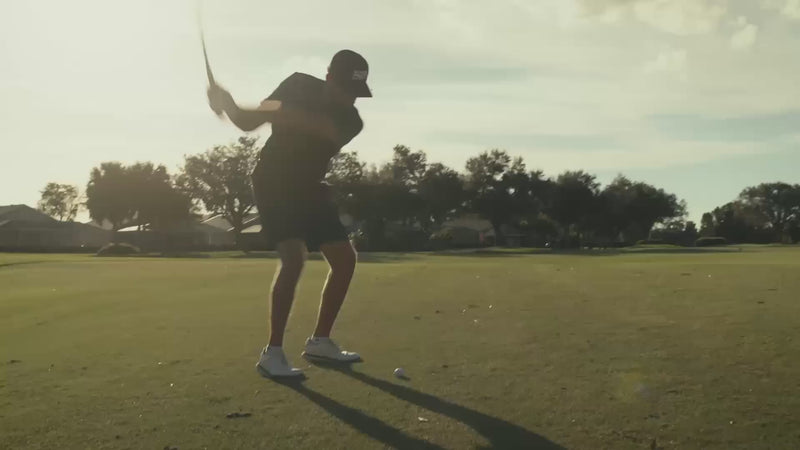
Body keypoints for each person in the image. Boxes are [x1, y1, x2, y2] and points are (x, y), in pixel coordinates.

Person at [207, 50, 371, 378]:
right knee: (294, 258)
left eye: (355, 92)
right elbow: (249, 122)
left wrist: (264, 110)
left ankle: (320, 341)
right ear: (328, 78)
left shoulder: (351, 121)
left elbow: (314, 125)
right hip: (273, 181)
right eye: (344, 89)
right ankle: (273, 353)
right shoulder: (297, 84)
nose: (349, 98)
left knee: (345, 260)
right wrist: (227, 104)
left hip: (310, 186)